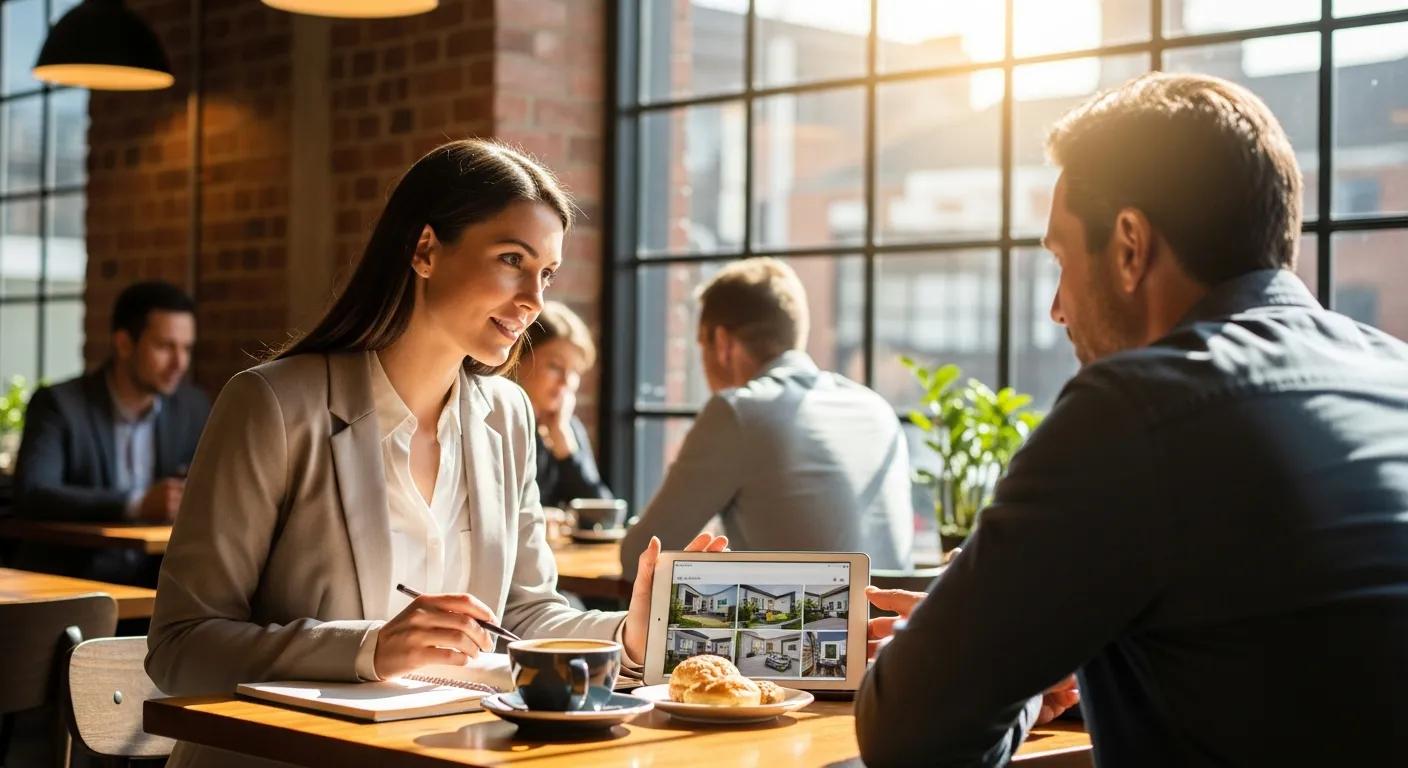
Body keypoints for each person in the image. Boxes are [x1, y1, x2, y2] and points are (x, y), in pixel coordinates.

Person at [856, 72, 1408, 767]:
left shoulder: (1133, 409)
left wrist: (1018, 679)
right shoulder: (1394, 375)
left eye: (1061, 260)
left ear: (1128, 247)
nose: (1057, 308)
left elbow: (907, 739)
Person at [145, 140, 725, 768]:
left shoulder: (507, 414)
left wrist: (631, 634)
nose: (535, 300)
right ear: (424, 249)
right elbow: (181, 646)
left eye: (547, 274)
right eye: (512, 260)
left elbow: (524, 615)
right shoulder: (273, 404)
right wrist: (371, 648)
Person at [620, 257, 914, 573]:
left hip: (806, 606)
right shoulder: (876, 408)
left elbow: (640, 558)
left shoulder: (739, 411)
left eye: (702, 346)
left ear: (722, 344)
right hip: (895, 607)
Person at [14, 280, 208, 585]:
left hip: (160, 581)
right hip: (72, 580)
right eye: (164, 347)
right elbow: (34, 493)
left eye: (186, 348)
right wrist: (137, 504)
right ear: (124, 344)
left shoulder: (191, 407)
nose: (179, 363)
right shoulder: (59, 404)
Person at [514, 300, 612, 507]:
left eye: (575, 371)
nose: (567, 382)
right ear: (518, 359)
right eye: (555, 366)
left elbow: (601, 511)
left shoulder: (568, 428)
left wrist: (563, 443)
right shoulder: (499, 424)